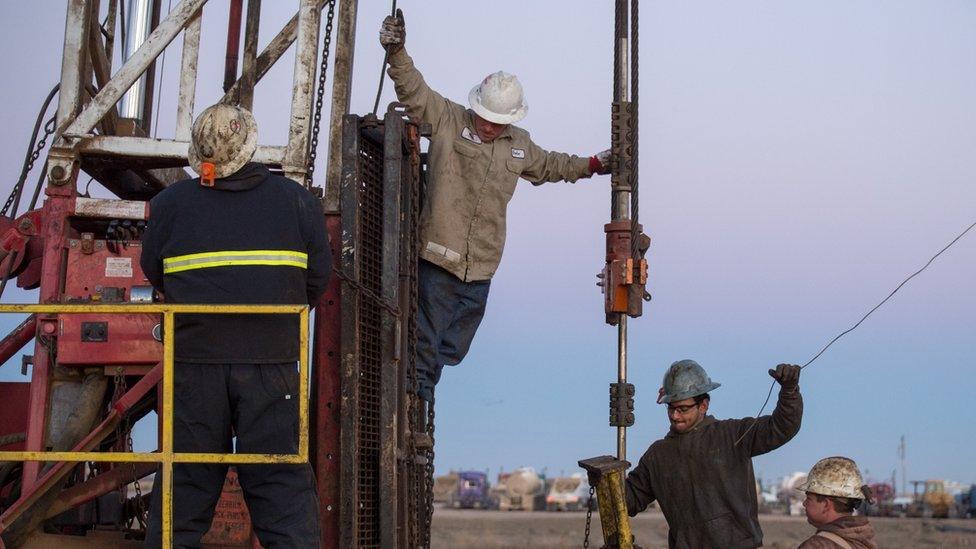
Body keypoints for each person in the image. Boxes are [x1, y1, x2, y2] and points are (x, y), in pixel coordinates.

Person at [379, 12, 612, 402]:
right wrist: (397, 52)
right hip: (438, 258)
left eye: (497, 122)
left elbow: (550, 164)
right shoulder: (449, 119)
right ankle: (415, 406)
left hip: (482, 266)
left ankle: (423, 394)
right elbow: (413, 91)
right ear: (476, 107)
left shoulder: (518, 144)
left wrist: (591, 165)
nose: (489, 127)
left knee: (451, 351)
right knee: (424, 344)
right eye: (485, 119)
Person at [140, 103, 329, 547]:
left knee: (185, 486)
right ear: (250, 148)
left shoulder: (169, 205)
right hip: (273, 365)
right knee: (280, 485)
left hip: (194, 364)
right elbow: (318, 279)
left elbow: (154, 270)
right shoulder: (297, 201)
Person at [624, 359, 803, 548]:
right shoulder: (657, 456)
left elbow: (781, 427)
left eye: (683, 409)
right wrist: (605, 480)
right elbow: (629, 501)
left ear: (703, 405)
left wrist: (789, 392)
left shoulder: (732, 435)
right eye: (671, 408)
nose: (675, 415)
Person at [798, 457, 877, 549]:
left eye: (809, 498)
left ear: (826, 504)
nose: (804, 503)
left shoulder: (815, 546)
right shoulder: (864, 541)